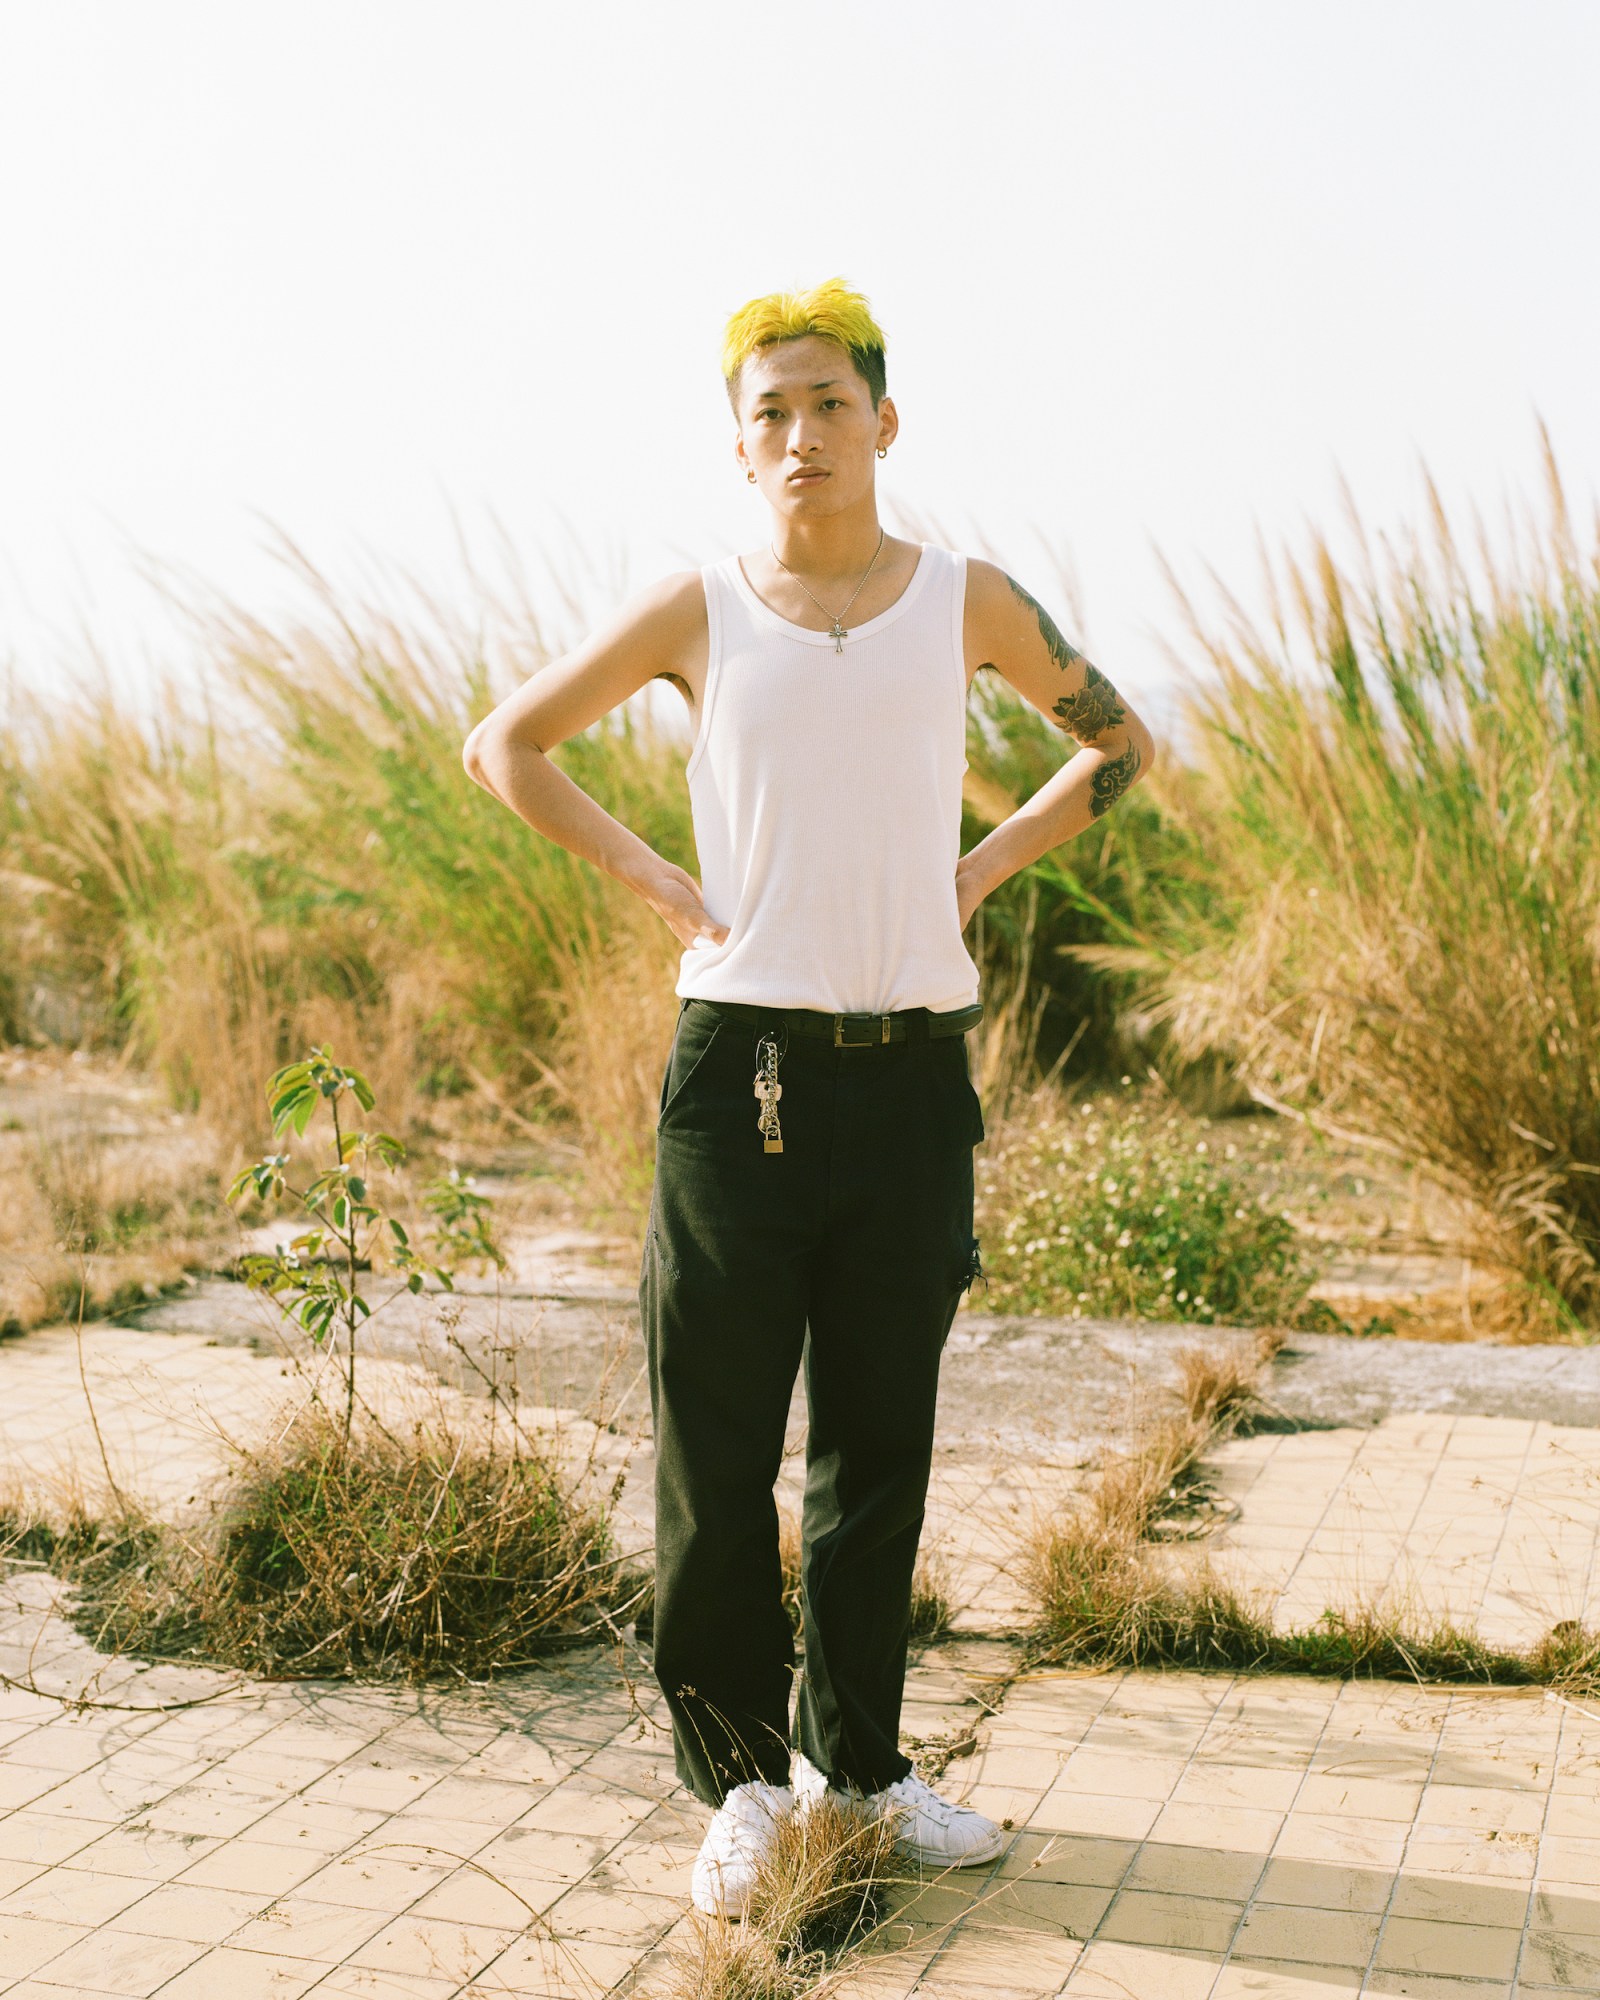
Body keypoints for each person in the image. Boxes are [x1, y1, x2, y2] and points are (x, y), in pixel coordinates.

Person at [462, 277, 1159, 1918]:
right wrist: (658, 880)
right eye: (768, 411)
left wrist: (980, 863)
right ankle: (738, 1786)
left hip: (910, 1079)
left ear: (884, 423)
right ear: (739, 444)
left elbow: (1120, 742)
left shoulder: (966, 598)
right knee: (716, 1453)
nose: (800, 435)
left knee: (877, 1448)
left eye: (828, 403)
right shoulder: (699, 609)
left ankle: (860, 1768)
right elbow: (508, 744)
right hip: (741, 1084)